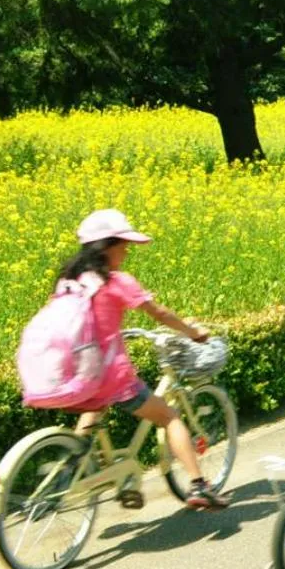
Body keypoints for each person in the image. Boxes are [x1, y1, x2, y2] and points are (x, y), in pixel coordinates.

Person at [60, 209, 230, 510]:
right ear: (106, 246)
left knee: (94, 405)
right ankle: (198, 486)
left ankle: (73, 467)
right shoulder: (116, 281)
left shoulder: (69, 281)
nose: (126, 251)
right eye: (123, 244)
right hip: (110, 375)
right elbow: (159, 313)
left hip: (73, 372)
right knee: (169, 417)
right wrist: (193, 332)